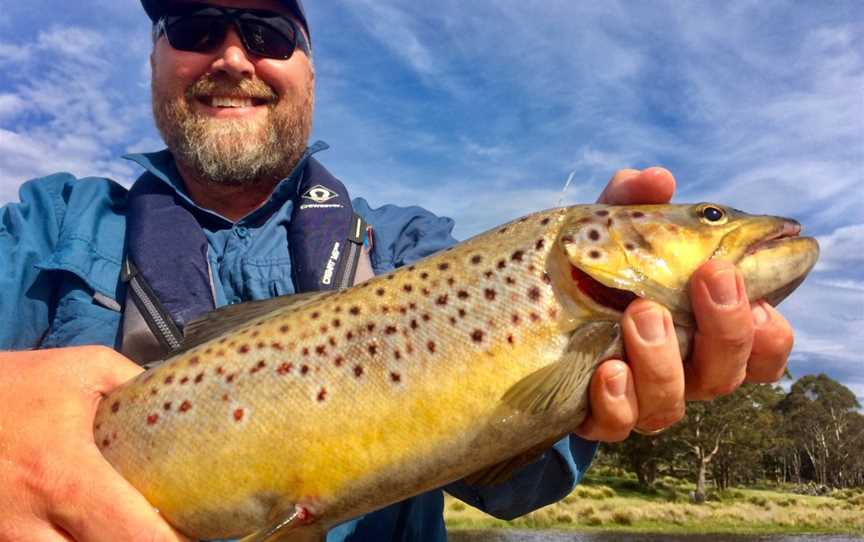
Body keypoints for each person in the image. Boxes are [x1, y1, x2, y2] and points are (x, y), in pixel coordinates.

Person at [0, 0, 795, 540]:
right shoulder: (37, 232)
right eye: (197, 25)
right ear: (154, 59)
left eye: (270, 33)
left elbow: (515, 485)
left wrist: (593, 385)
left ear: (311, 72)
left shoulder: (415, 248)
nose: (234, 56)